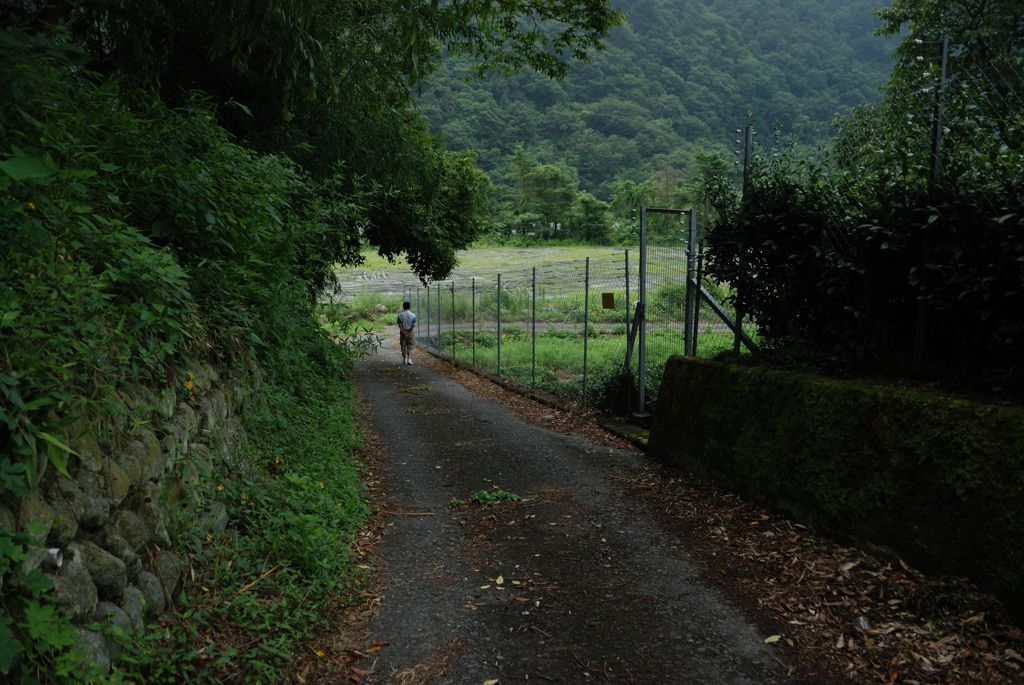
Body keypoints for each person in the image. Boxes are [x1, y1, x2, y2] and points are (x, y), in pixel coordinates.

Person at [397, 300, 417, 365]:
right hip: (410, 332)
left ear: (403, 307)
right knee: (410, 345)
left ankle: (404, 359)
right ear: (409, 307)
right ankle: (409, 359)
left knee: (403, 345)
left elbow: (399, 324)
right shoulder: (413, 315)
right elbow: (413, 324)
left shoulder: (400, 315)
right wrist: (409, 332)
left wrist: (404, 332)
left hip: (403, 332)